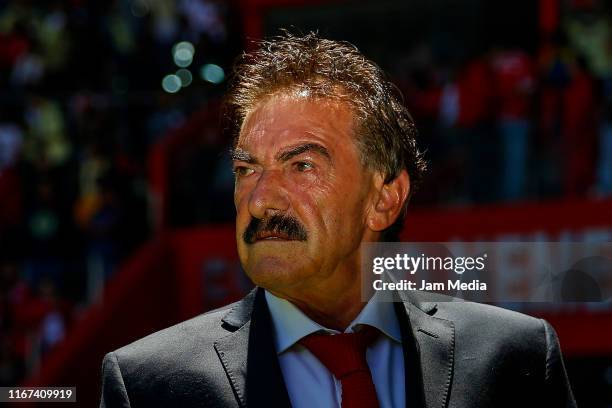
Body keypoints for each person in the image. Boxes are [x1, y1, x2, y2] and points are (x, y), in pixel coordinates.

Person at [99, 32, 576, 408]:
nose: (260, 201)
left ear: (385, 199)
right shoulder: (150, 386)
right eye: (246, 170)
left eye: (301, 166)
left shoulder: (515, 359)